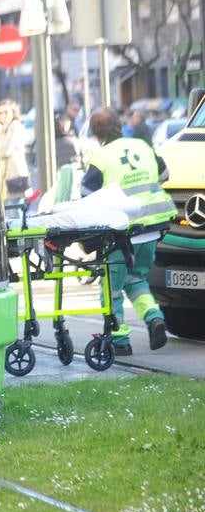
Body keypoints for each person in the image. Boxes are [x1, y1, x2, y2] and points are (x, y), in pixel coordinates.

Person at [82, 107, 175, 355]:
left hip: (121, 234)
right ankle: (154, 318)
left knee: (111, 288)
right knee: (136, 279)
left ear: (96, 133)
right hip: (151, 229)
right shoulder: (142, 146)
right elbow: (164, 174)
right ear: (119, 124)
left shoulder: (101, 157)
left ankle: (120, 341)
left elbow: (87, 196)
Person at [0, 99, 30, 203]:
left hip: (15, 178)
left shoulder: (16, 127)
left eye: (6, 112)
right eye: (1, 112)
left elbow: (6, 150)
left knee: (15, 208)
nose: (3, 115)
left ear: (13, 113)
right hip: (3, 181)